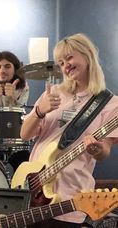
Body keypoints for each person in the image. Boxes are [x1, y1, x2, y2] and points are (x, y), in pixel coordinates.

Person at [20, 33, 118, 228]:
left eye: (69, 57)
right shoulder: (53, 93)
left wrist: (96, 149)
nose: (65, 66)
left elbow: (104, 150)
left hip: (70, 199)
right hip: (33, 191)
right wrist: (39, 111)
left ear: (87, 54)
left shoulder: (110, 103)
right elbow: (25, 134)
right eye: (61, 62)